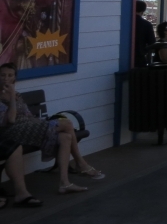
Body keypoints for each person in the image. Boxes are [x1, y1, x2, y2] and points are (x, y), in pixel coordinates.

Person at [0, 62, 104, 194]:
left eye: (10, 75)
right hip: (13, 132)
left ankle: (64, 183)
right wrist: (11, 99)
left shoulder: (17, 94)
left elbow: (27, 115)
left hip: (30, 127)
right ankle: (80, 163)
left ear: (14, 77)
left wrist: (40, 123)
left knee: (65, 137)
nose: (6, 78)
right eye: (2, 75)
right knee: (67, 124)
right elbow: (10, 120)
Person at [134, 0, 155, 68]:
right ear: (143, 10)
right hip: (140, 57)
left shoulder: (126, 22)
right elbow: (152, 43)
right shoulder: (146, 24)